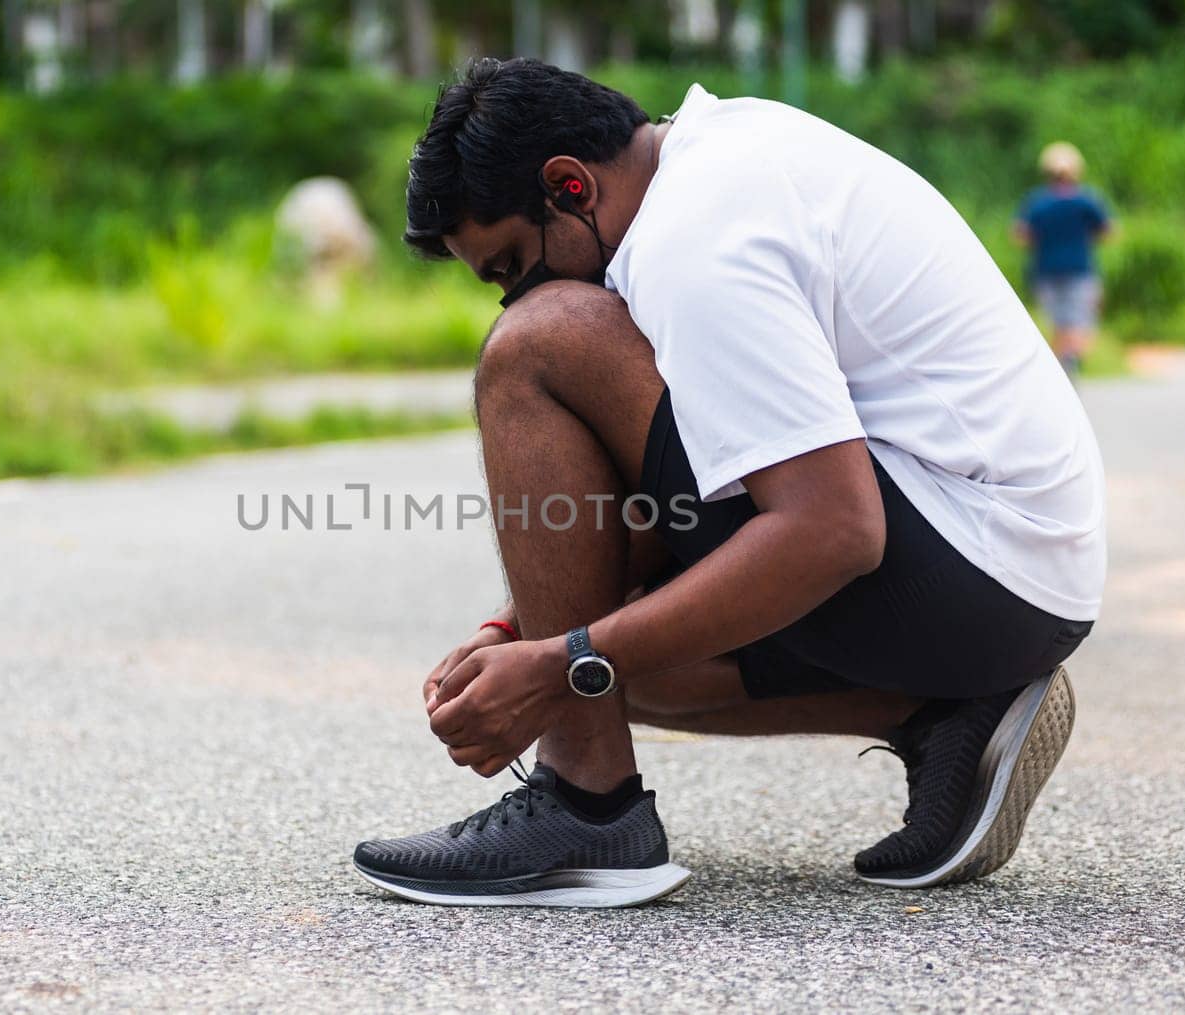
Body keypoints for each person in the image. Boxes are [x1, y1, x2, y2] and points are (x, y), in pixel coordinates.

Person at [352, 59, 1105, 908]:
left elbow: (832, 529)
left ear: (570, 187)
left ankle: (585, 805)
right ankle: (942, 712)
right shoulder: (718, 152)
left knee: (533, 349)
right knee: (625, 660)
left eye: (510, 266)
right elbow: (700, 486)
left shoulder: (695, 242)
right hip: (1012, 576)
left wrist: (562, 662)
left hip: (978, 570)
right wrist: (526, 632)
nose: (512, 294)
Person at [1013, 141, 1114, 377]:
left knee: (1056, 323)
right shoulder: (1086, 200)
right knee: (1080, 321)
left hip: (1046, 271)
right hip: (1080, 270)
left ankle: (1059, 367)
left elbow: (1021, 235)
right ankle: (1072, 357)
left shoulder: (1038, 202)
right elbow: (1108, 231)